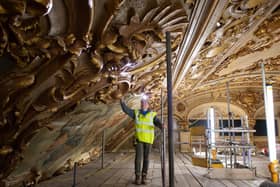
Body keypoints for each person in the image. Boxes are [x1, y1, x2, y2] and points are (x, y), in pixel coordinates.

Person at [120, 96, 163, 185]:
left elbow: (157, 122)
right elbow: (126, 110)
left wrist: (162, 126)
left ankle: (144, 176)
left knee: (146, 158)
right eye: (142, 103)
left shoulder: (152, 114)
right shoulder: (136, 113)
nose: (143, 104)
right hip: (139, 139)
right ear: (141, 104)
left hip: (148, 140)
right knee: (138, 158)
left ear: (148, 105)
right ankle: (137, 177)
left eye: (145, 103)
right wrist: (122, 102)